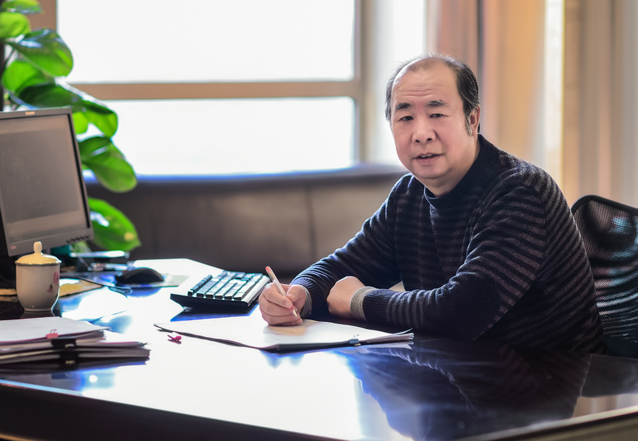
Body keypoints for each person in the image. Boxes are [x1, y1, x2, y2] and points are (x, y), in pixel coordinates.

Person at [259, 54, 606, 353]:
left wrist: (359, 300)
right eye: (405, 117)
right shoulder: (409, 194)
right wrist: (299, 295)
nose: (421, 133)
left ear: (472, 119)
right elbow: (344, 266)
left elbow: (462, 312)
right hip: (461, 377)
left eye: (437, 114)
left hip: (553, 386)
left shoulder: (521, 191)